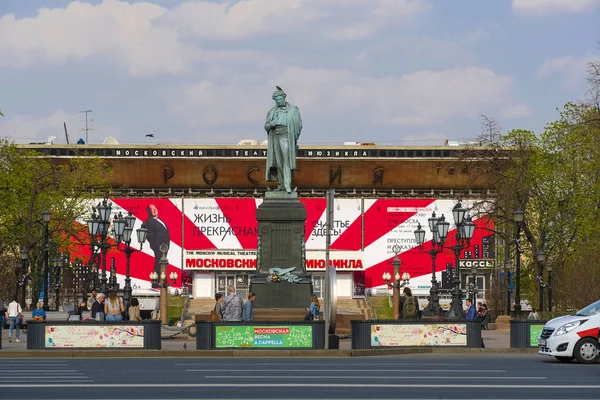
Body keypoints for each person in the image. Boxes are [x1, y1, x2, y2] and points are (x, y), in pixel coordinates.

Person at [264, 86, 303, 193]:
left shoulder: (293, 110)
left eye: (279, 99)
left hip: (286, 136)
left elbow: (299, 125)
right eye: (276, 100)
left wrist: (294, 138)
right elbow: (266, 126)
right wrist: (273, 123)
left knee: (286, 161)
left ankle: (287, 185)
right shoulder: (272, 111)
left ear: (284, 97)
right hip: (275, 137)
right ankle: (281, 184)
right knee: (278, 162)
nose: (277, 101)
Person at [144, 204, 170, 286]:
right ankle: (157, 281)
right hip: (159, 246)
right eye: (152, 209)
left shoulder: (159, 219)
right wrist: (156, 246)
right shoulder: (149, 222)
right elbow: (150, 236)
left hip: (165, 246)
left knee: (162, 263)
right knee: (159, 263)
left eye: (155, 208)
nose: (154, 210)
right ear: (149, 211)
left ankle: (161, 280)